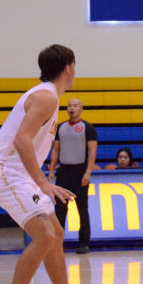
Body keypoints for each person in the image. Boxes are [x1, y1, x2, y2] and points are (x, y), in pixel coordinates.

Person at [0, 45, 110, 284]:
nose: (75, 71)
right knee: (45, 235)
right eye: (74, 66)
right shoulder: (46, 97)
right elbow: (22, 140)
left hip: (18, 172)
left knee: (55, 234)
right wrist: (43, 182)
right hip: (5, 170)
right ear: (67, 68)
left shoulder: (48, 96)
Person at [48, 98, 97, 255]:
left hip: (80, 171)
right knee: (60, 209)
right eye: (69, 105)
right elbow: (56, 150)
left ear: (81, 109)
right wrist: (51, 170)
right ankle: (57, 242)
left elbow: (92, 151)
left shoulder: (88, 128)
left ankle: (84, 243)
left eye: (75, 106)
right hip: (63, 172)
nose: (72, 108)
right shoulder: (60, 127)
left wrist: (88, 172)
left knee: (82, 209)